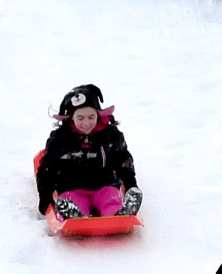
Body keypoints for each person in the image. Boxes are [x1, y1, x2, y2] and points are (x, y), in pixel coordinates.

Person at [35, 84, 142, 220]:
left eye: (91, 117)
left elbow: (123, 161)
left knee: (111, 200)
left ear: (98, 115)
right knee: (71, 202)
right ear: (71, 118)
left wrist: (131, 185)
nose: (86, 122)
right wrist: (45, 198)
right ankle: (72, 214)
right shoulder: (60, 139)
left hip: (105, 185)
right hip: (71, 188)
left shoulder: (110, 135)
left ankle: (121, 213)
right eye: (80, 118)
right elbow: (47, 170)